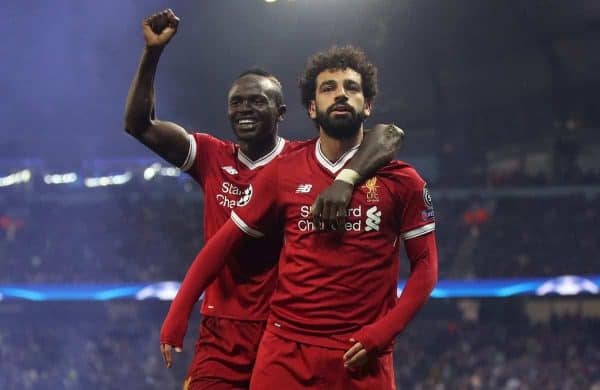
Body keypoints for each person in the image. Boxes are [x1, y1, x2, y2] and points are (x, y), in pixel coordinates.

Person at [124, 9, 404, 390]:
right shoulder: (210, 156)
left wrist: (348, 178)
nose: (245, 110)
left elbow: (385, 135)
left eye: (257, 102)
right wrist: (152, 53)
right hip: (222, 330)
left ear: (281, 112)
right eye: (237, 102)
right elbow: (139, 125)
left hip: (285, 329)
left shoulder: (301, 161)